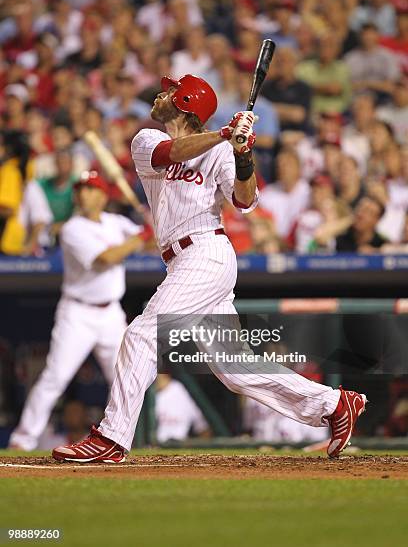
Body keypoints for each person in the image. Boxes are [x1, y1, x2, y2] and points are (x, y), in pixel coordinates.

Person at [52, 74, 367, 463]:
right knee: (236, 369)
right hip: (182, 259)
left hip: (207, 252)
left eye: (170, 91)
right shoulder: (147, 139)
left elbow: (245, 201)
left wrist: (243, 155)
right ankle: (335, 404)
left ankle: (111, 437)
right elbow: (171, 153)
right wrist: (224, 135)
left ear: (184, 102)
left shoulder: (220, 151)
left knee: (141, 334)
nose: (160, 94)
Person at [8, 171, 143, 451]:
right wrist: (139, 237)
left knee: (127, 376)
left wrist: (150, 228)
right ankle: (23, 439)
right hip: (77, 314)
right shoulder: (72, 228)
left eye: (91, 189)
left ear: (103, 195)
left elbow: (150, 241)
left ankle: (133, 438)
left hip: (110, 314)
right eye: (80, 188)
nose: (84, 194)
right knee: (55, 377)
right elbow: (105, 258)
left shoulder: (116, 222)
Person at [155, 374, 210, 443]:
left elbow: (203, 428)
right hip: (155, 446)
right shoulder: (150, 394)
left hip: (180, 444)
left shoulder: (180, 390)